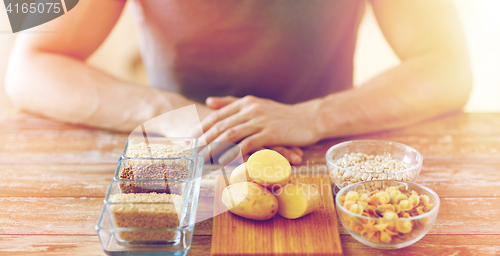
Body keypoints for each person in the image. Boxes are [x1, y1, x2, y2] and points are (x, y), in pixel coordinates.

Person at [5, 0, 472, 165]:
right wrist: (168, 114)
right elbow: (25, 66)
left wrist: (314, 116)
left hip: (318, 158)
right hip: (180, 155)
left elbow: (450, 66)